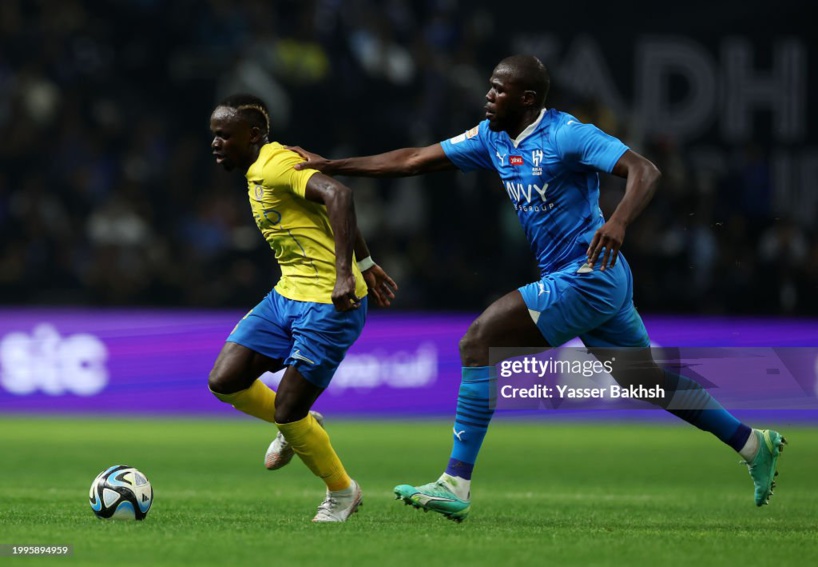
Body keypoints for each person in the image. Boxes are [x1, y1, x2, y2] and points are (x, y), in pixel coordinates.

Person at [288, 55, 786, 521]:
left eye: (499, 90)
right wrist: (331, 166)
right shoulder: (493, 137)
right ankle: (750, 443)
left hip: (587, 275)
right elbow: (414, 158)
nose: (488, 96)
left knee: (478, 342)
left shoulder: (568, 135)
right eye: (489, 87)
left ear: (527, 99)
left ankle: (454, 484)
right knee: (646, 382)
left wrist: (617, 221)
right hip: (591, 279)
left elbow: (645, 170)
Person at [206, 93, 397, 522]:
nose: (216, 143)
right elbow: (329, 211)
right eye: (213, 135)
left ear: (253, 135)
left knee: (289, 410)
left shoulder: (274, 165)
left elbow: (340, 196)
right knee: (225, 381)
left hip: (330, 306)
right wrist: (364, 261)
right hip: (286, 296)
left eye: (225, 135)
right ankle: (300, 428)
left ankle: (343, 492)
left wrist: (347, 275)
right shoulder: (259, 167)